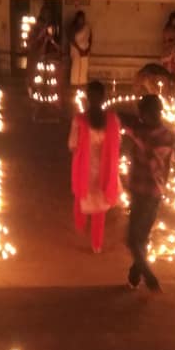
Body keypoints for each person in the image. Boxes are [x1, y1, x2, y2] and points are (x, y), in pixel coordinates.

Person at [120, 94, 175, 292]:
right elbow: (126, 123)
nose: (142, 118)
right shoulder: (143, 129)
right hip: (139, 192)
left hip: (151, 194)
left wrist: (136, 135)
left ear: (153, 113)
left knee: (132, 239)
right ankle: (135, 275)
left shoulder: (163, 136)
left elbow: (154, 158)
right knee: (140, 237)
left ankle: (149, 277)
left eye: (144, 114)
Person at [69, 81, 121, 253]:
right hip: (105, 169)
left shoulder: (80, 120)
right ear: (104, 97)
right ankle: (96, 245)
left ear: (88, 98)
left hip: (85, 169)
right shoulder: (113, 120)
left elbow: (72, 144)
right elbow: (117, 143)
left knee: (82, 197)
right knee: (100, 210)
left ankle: (80, 225)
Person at [69, 10, 93, 90]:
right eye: (79, 18)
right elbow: (72, 39)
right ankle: (74, 87)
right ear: (77, 19)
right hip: (76, 51)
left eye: (82, 18)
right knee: (76, 68)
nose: (81, 20)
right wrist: (79, 50)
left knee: (84, 68)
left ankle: (83, 86)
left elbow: (90, 38)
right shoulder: (73, 27)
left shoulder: (87, 27)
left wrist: (87, 49)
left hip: (85, 51)